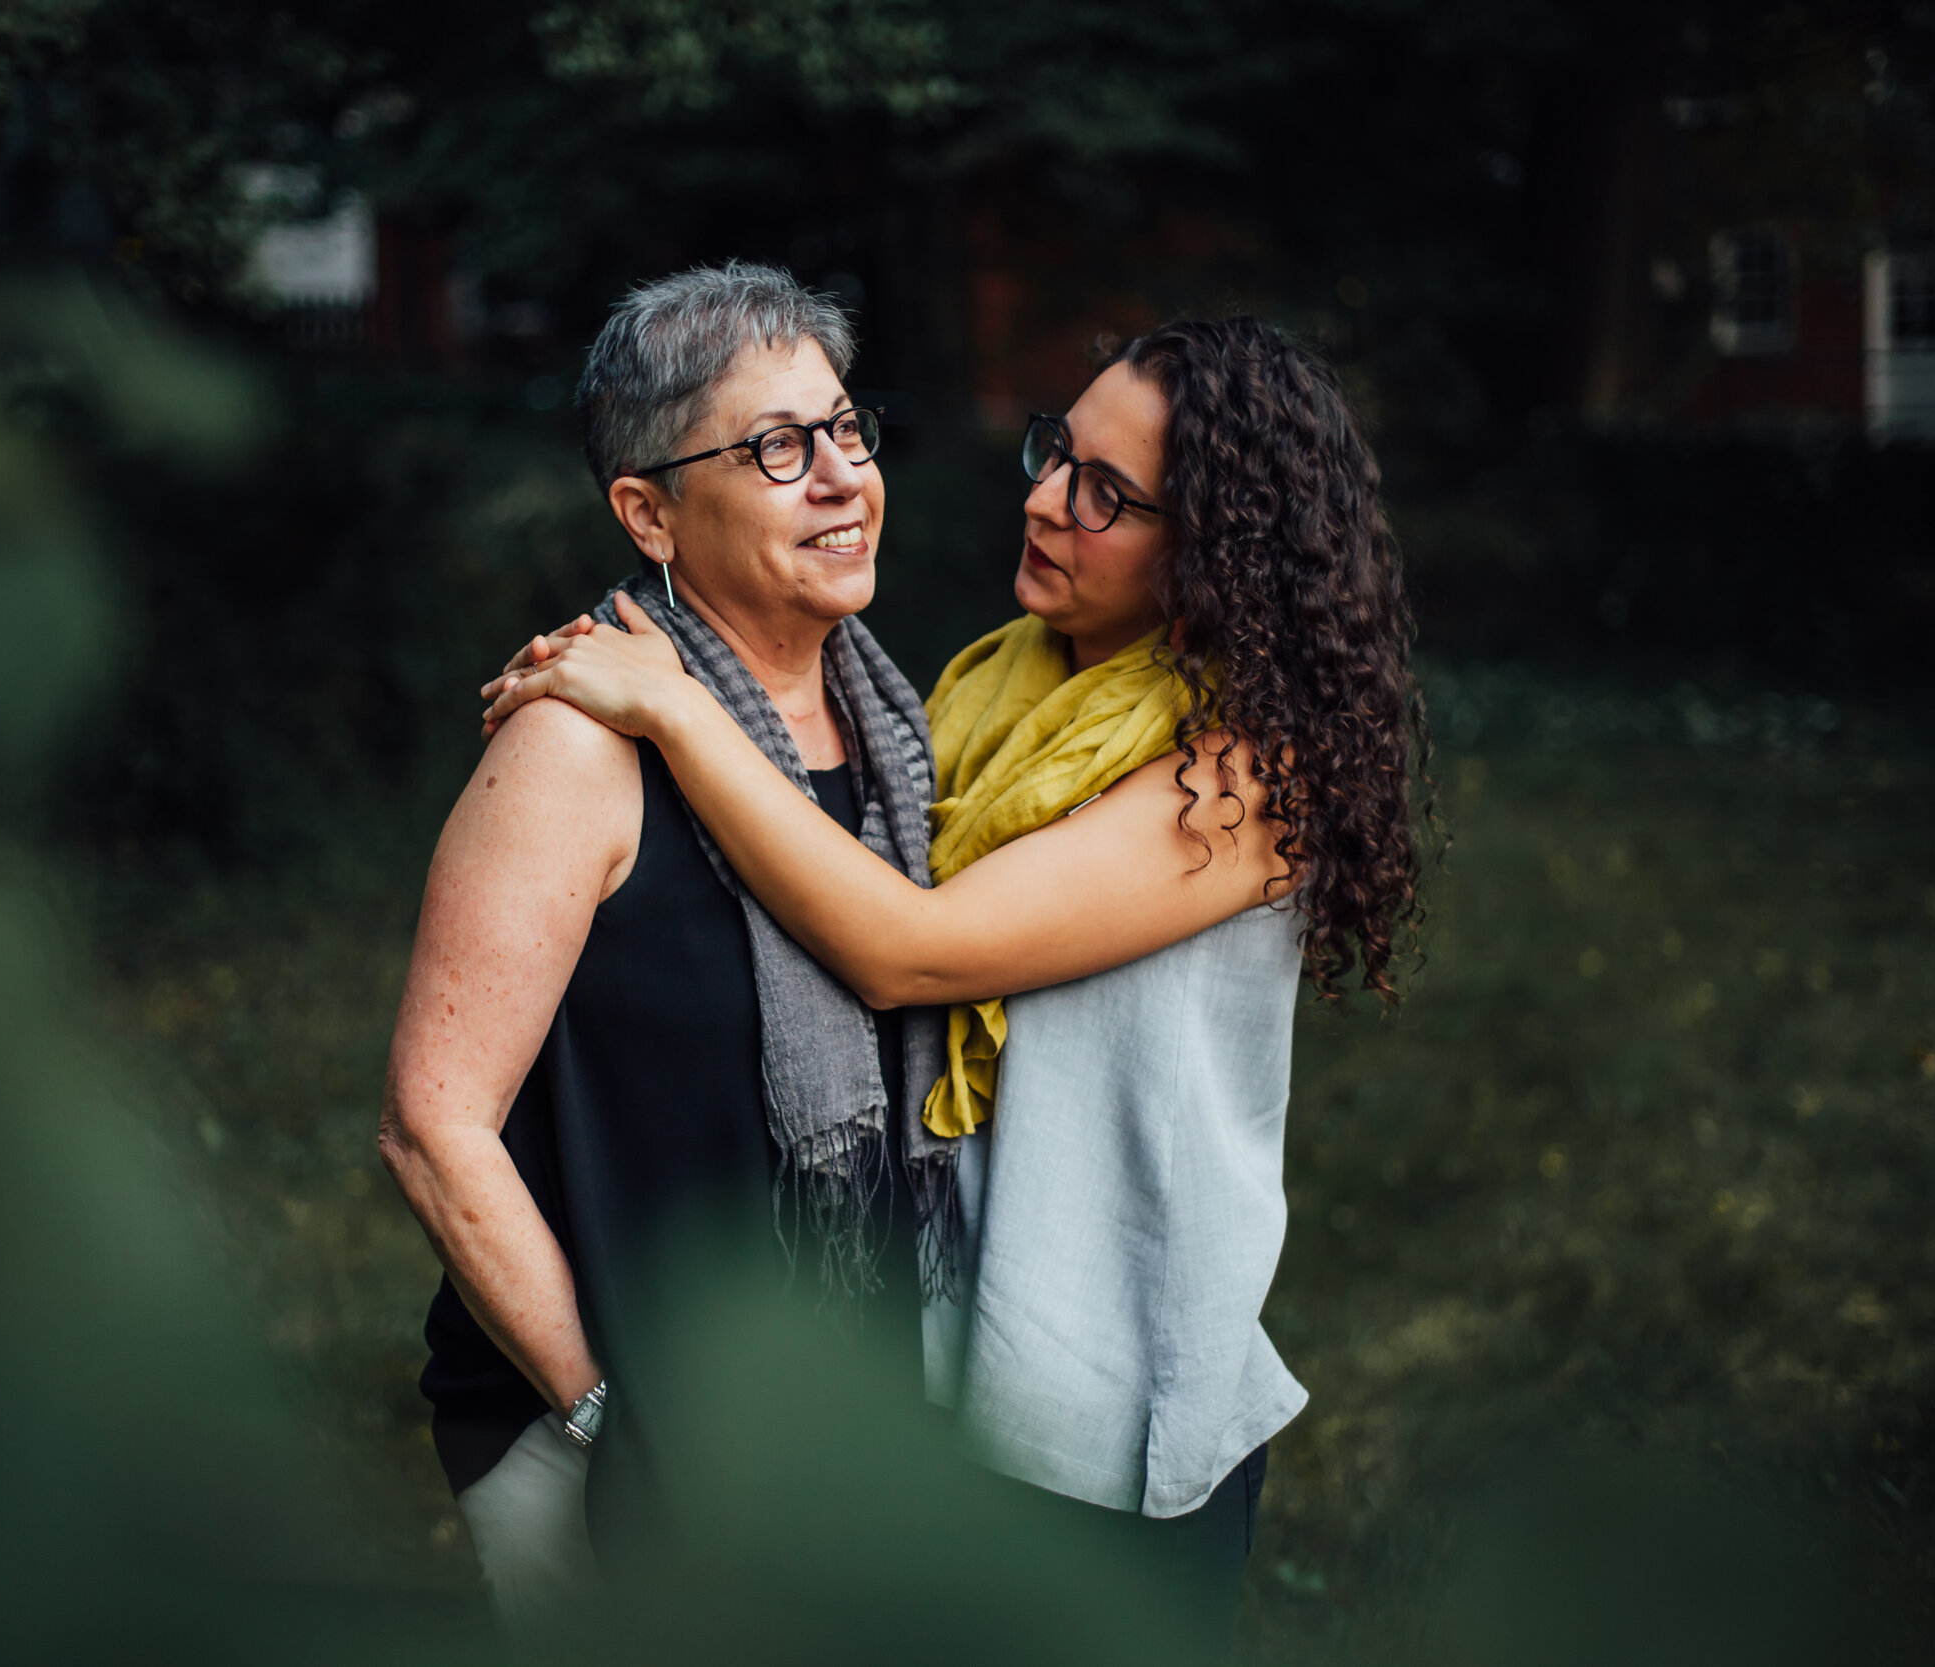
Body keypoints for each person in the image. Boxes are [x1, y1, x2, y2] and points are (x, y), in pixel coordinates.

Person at [479, 316, 1433, 1633]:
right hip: (952, 1381)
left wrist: (677, 709)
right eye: (1058, 455)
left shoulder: (1246, 774)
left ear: (1214, 550)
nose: (1045, 499)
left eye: (1109, 494)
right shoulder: (999, 689)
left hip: (1109, 1408)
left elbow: (904, 949)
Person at [376, 263, 952, 1635]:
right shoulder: (578, 745)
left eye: (846, 430)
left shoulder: (896, 735)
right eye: (774, 448)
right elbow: (428, 1127)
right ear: (649, 514)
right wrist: (600, 1411)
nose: (840, 478)